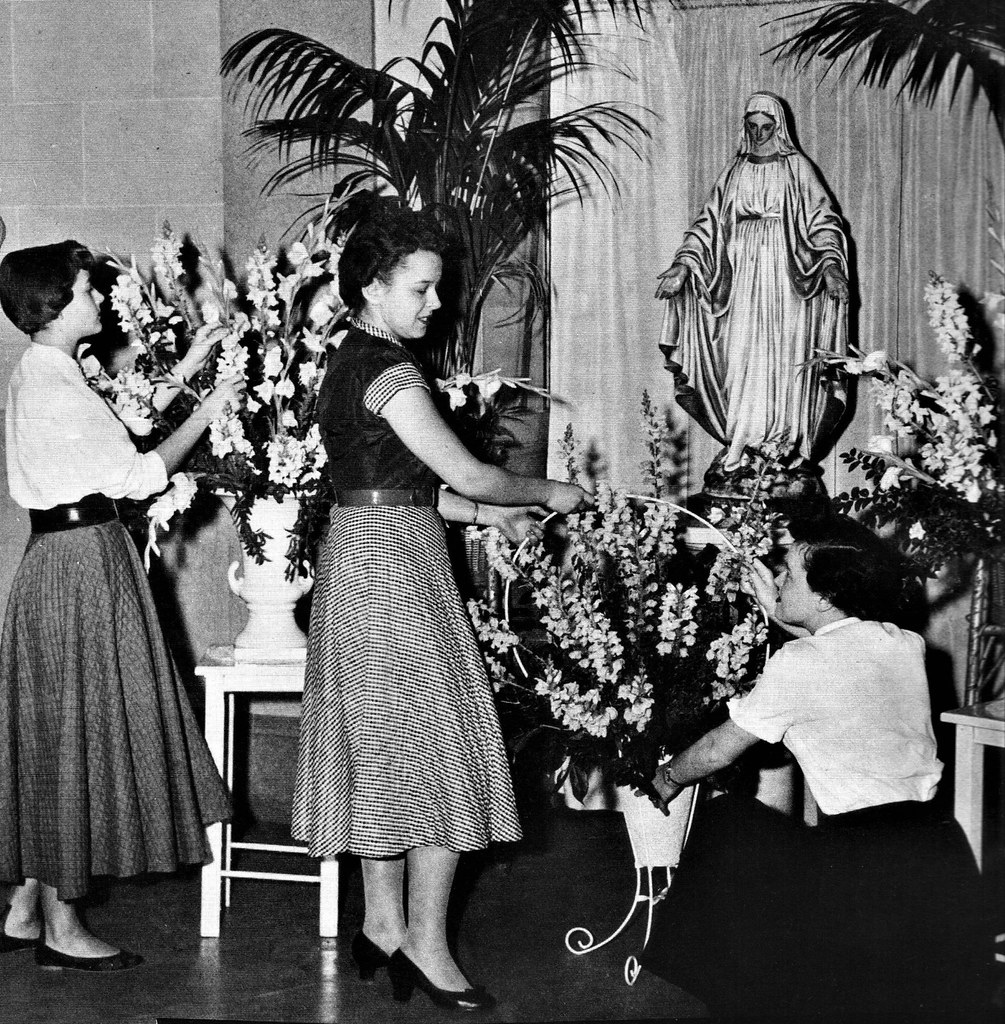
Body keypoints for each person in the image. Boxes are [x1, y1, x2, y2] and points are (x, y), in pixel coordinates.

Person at [290, 202, 591, 1011]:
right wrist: (551, 491)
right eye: (419, 289)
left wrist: (489, 515)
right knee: (436, 746)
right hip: (393, 570)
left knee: (386, 744)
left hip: (368, 549)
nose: (435, 304)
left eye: (436, 288)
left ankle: (382, 925)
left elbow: (397, 487)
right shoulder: (390, 372)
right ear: (371, 285)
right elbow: (467, 473)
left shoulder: (349, 360)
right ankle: (425, 943)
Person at [0, 240, 242, 971]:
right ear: (53, 305)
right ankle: (62, 929)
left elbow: (122, 421)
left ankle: (25, 909)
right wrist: (211, 411)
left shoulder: (48, 370)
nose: (99, 298)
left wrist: (192, 364)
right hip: (80, 567)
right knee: (71, 739)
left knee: (57, 736)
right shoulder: (52, 384)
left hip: (65, 562)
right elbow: (139, 472)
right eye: (86, 290)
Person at [642, 514, 989, 1019]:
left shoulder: (799, 663)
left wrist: (665, 778)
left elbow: (718, 751)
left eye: (788, 572)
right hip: (935, 851)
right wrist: (776, 606)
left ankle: (741, 995)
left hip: (858, 866)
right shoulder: (904, 643)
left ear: (825, 596)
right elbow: (834, 643)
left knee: (727, 822)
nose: (778, 577)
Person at [656, 92, 850, 491]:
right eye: (752, 127)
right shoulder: (734, 171)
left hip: (788, 279)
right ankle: (744, 444)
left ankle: (785, 447)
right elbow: (707, 225)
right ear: (744, 127)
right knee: (743, 355)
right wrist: (683, 265)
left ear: (779, 128)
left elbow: (823, 220)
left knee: (784, 356)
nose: (759, 134)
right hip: (741, 278)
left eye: (766, 127)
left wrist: (831, 265)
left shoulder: (797, 168)